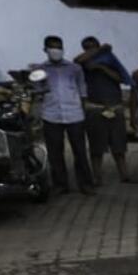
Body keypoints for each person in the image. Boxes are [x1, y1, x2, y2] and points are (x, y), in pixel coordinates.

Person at [36, 36, 96, 196]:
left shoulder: (74, 68)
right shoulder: (40, 70)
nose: (56, 50)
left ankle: (86, 184)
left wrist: (83, 111)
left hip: (74, 114)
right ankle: (61, 184)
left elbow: (82, 90)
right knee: (55, 152)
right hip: (51, 115)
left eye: (59, 47)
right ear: (45, 50)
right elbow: (36, 91)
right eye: (52, 47)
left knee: (80, 151)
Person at [76, 36, 135, 184]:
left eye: (93, 46)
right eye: (87, 47)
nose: (91, 49)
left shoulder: (109, 59)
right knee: (96, 147)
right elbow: (77, 60)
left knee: (119, 145)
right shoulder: (83, 63)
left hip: (115, 107)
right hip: (95, 108)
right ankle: (97, 177)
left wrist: (101, 67)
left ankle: (124, 175)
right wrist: (97, 52)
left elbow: (121, 78)